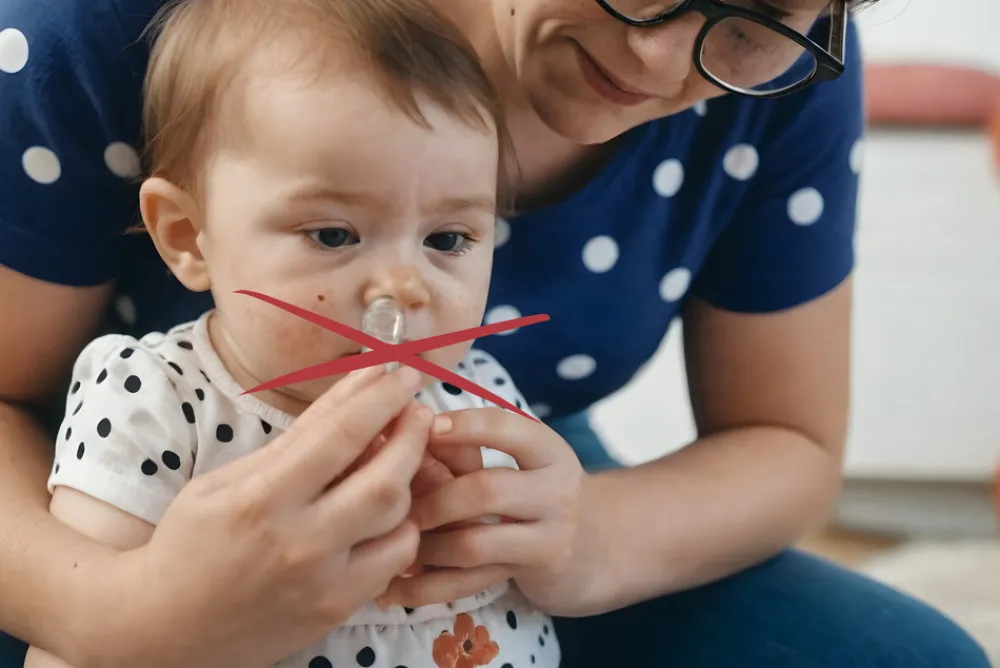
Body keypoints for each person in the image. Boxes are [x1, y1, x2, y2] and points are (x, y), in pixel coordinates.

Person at [0, 0, 991, 665]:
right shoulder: (103, 29)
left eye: (756, 14)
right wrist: (129, 612)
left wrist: (592, 536)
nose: (655, 56)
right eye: (333, 230)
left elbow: (789, 443)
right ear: (185, 232)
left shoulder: (776, 76)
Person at [21, 0, 563, 666]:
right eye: (333, 234)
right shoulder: (152, 404)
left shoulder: (480, 397)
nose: (403, 286)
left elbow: (549, 572)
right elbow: (77, 647)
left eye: (448, 239)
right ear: (187, 236)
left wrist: (553, 536)